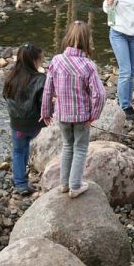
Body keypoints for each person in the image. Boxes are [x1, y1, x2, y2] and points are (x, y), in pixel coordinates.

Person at [41, 20, 106, 198]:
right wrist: (94, 115)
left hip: (62, 115)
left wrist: (45, 112)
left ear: (67, 37)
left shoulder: (56, 61)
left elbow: (48, 90)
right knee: (80, 148)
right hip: (81, 116)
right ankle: (75, 185)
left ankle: (64, 184)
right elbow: (100, 94)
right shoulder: (88, 65)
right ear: (87, 41)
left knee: (67, 146)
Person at [3, 43, 45, 195]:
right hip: (34, 124)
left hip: (17, 123)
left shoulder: (10, 77)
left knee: (18, 150)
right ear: (34, 61)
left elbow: (6, 97)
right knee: (25, 146)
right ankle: (22, 178)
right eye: (41, 59)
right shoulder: (41, 79)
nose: (41, 62)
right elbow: (43, 103)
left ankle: (20, 182)